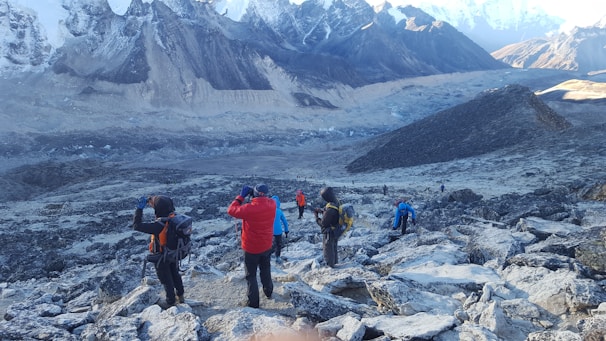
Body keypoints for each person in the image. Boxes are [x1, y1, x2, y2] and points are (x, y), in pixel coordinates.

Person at [227, 184, 276, 308]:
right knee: (265, 269)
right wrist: (255, 196)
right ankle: (268, 291)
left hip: (251, 248)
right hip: (266, 244)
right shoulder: (272, 204)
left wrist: (241, 196)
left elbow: (231, 210)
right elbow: (263, 200)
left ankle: (253, 303)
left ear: (254, 194)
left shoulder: (249, 208)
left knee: (251, 275)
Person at [133, 195, 185, 309]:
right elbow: (163, 207)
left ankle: (170, 301)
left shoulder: (158, 225)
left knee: (166, 279)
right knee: (175, 274)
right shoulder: (175, 218)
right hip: (174, 253)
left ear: (158, 209)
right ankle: (181, 296)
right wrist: (153, 202)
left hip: (161, 256)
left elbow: (137, 225)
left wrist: (139, 209)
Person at [314, 186, 341, 268]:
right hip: (336, 229)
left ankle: (330, 266)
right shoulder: (337, 202)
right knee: (334, 246)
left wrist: (316, 217)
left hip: (329, 231)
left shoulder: (330, 209)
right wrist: (323, 212)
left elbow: (323, 223)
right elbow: (334, 215)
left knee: (328, 248)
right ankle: (335, 262)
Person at [271, 195, 289, 263]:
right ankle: (277, 257)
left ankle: (267, 256)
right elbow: (284, 221)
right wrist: (286, 230)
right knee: (278, 244)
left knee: (269, 244)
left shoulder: (267, 210)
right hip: (278, 231)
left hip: (269, 231)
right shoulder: (279, 211)